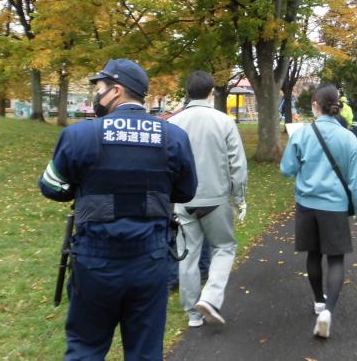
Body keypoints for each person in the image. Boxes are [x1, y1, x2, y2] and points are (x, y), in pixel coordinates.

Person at [38, 59, 197, 360]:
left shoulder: (80, 136)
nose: (96, 97)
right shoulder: (173, 137)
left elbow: (51, 186)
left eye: (99, 89)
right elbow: (186, 191)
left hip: (95, 259)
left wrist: (80, 189)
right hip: (150, 259)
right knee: (145, 352)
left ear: (117, 91)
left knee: (86, 349)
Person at [280, 83, 357, 339]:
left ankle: (319, 300)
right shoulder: (348, 137)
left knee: (313, 253)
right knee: (336, 258)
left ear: (315, 106)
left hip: (307, 204)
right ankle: (328, 311)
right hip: (335, 206)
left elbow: (287, 169)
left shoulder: (302, 134)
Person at [170, 70, 248, 328]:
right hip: (216, 197)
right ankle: (211, 297)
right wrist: (240, 198)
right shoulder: (223, 121)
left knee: (188, 255)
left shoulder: (173, 123)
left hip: (183, 200)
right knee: (224, 247)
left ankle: (193, 314)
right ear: (211, 91)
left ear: (186, 92)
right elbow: (237, 165)